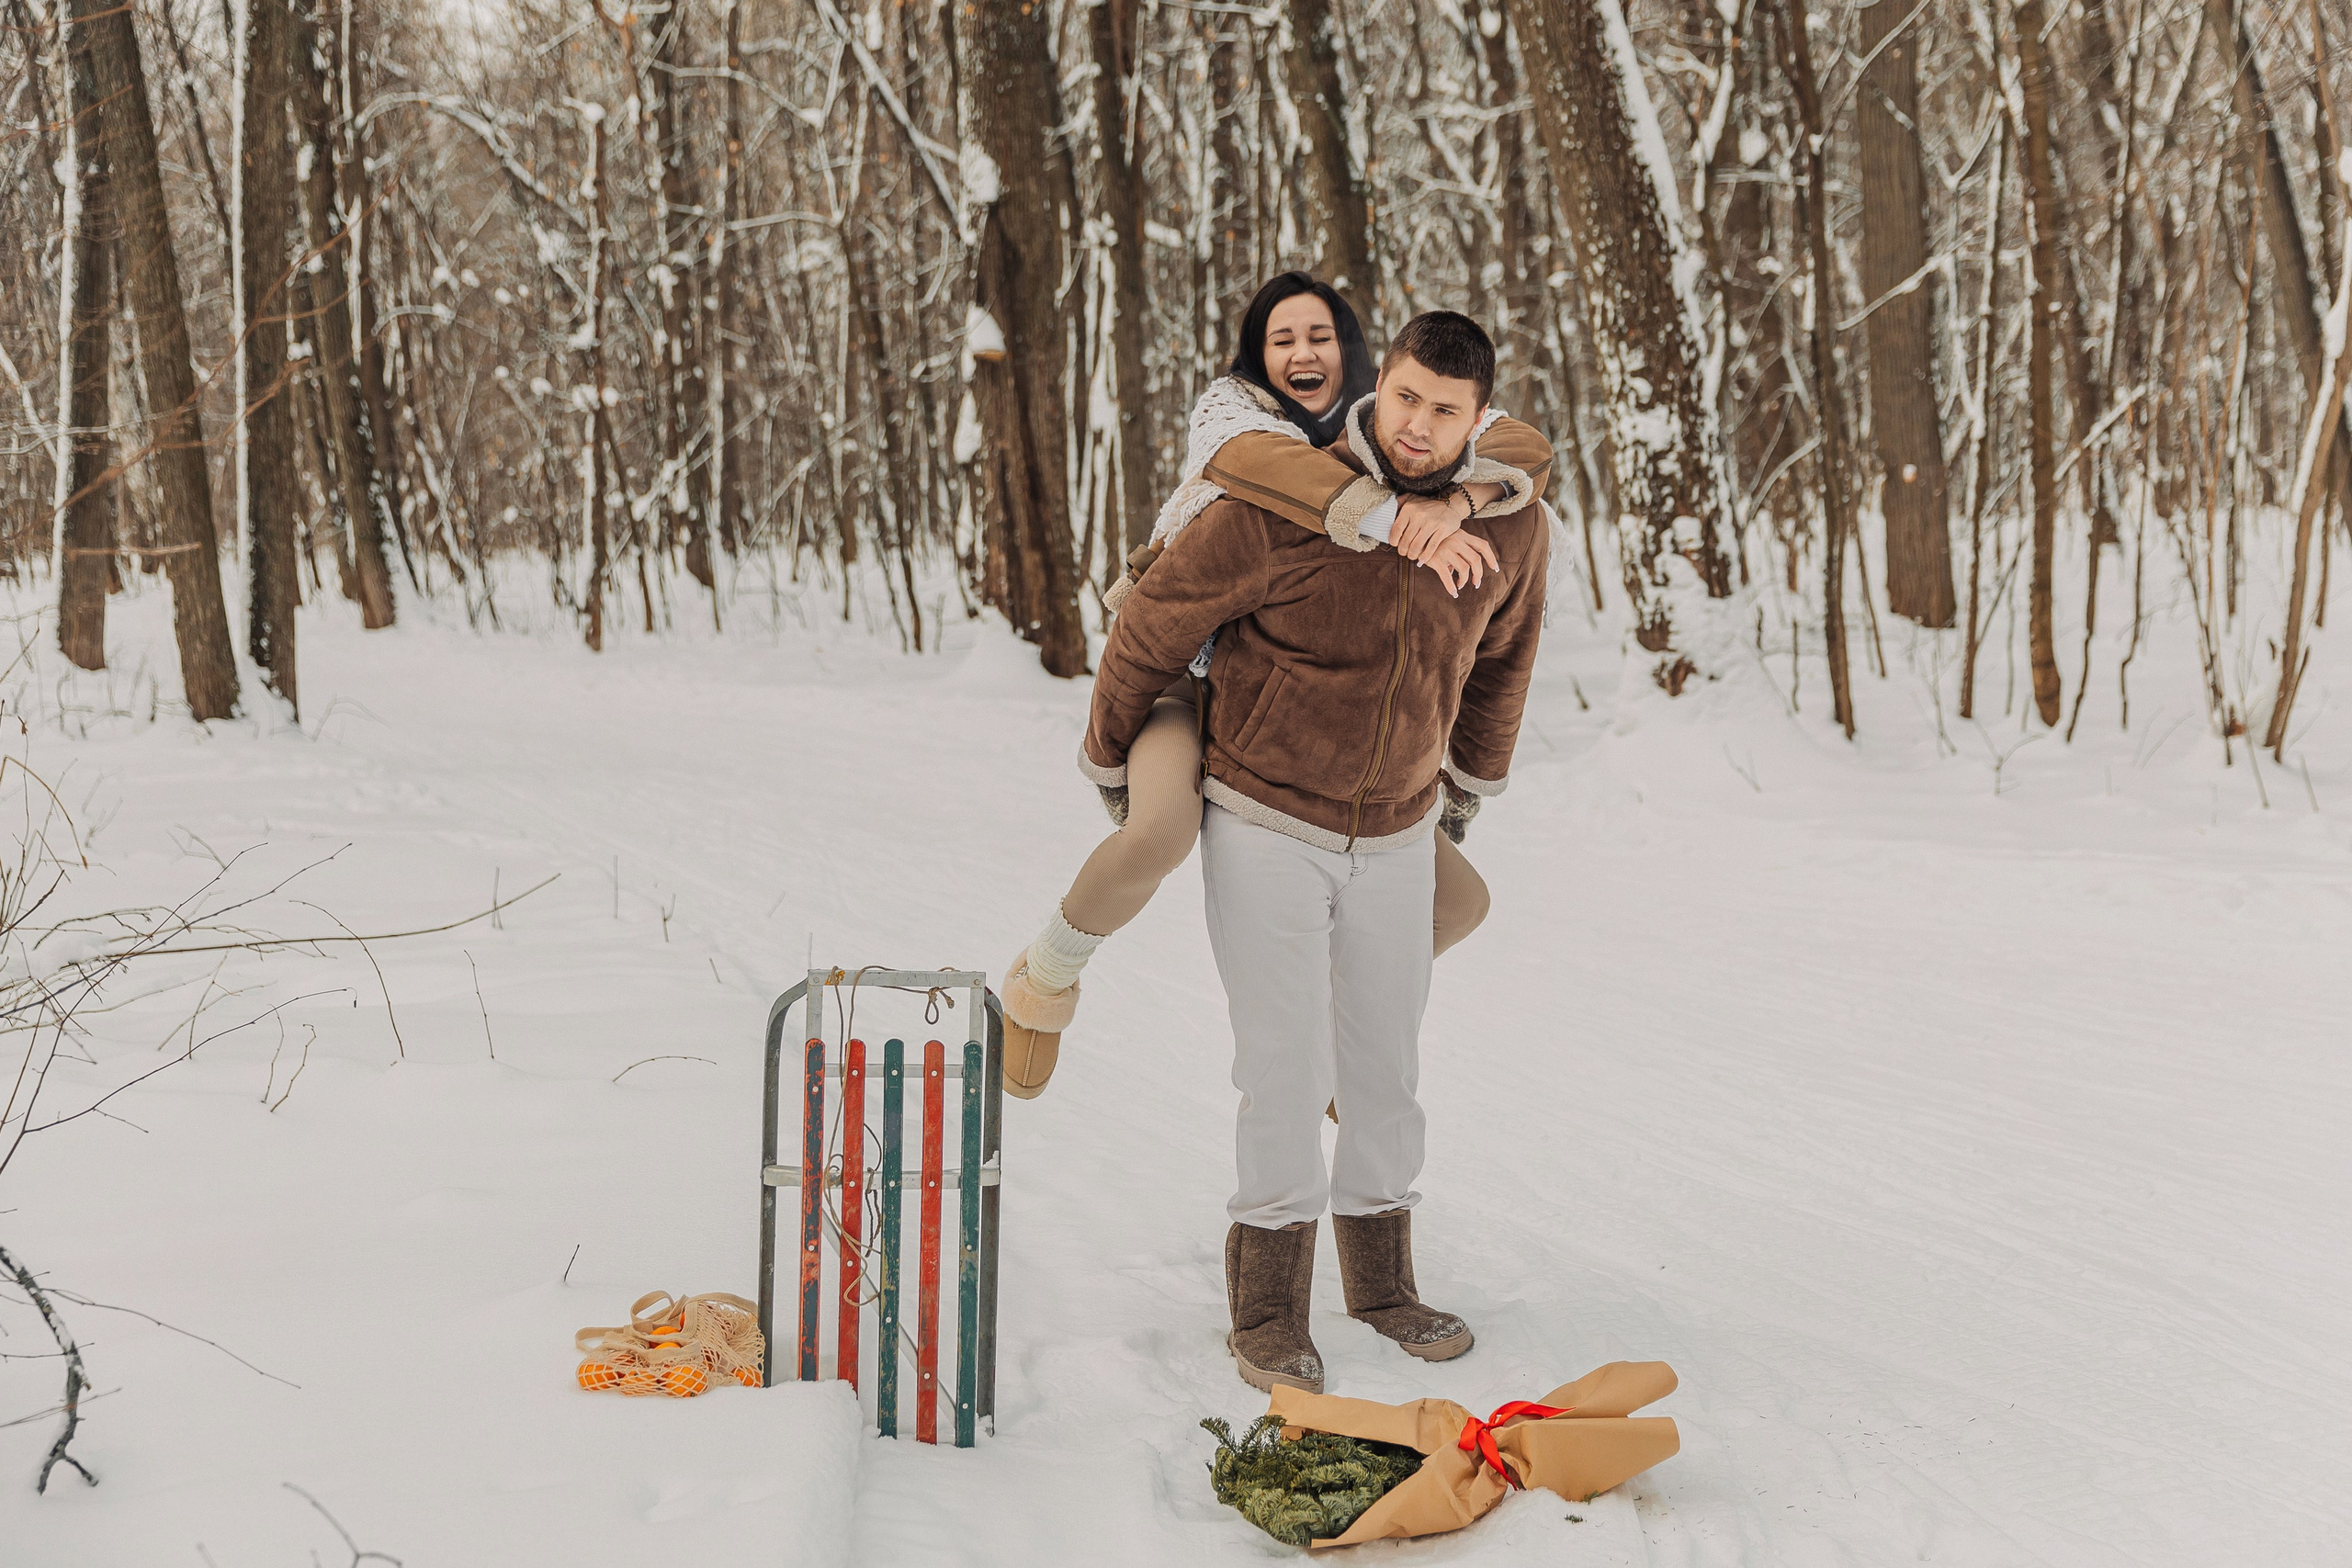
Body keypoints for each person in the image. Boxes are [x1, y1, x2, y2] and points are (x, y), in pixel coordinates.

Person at [1079, 310, 1547, 1393]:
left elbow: (1501, 667)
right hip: (1263, 819)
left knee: (1385, 1070)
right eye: (1404, 398)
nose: (1418, 425)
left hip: (1393, 830)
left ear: (1481, 419)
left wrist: (1460, 804)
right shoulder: (1282, 502)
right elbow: (1152, 621)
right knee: (1283, 1073)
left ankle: (1382, 1287)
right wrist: (1113, 759)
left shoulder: (1514, 528)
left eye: (1444, 410)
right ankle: (1266, 1311)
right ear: (1375, 388)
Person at [998, 274, 1554, 1097]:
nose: (1304, 351)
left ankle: (1335, 1026)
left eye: (1321, 336)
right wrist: (1399, 516)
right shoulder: (1237, 420)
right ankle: (1043, 979)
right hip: (1186, 677)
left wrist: (1465, 500)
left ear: (1355, 352)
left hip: (1297, 711)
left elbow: (1530, 446)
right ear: (1259, 356)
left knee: (1460, 901)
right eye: (1282, 337)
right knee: (1158, 834)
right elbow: (1267, 479)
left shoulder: (1403, 412)